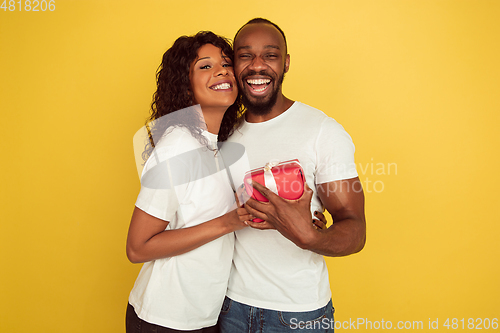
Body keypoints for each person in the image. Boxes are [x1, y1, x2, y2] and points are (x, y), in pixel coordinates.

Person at [218, 18, 367, 333]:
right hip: (227, 305)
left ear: (285, 64)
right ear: (233, 65)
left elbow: (355, 227)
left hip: (297, 316)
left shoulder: (322, 131)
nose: (257, 65)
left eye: (270, 55)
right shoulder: (224, 133)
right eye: (245, 55)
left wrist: (310, 236)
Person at [125, 31, 248, 333]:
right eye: (205, 66)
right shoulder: (177, 146)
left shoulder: (216, 144)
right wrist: (229, 221)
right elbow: (137, 248)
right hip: (164, 320)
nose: (222, 70)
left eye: (226, 63)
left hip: (205, 317)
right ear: (185, 85)